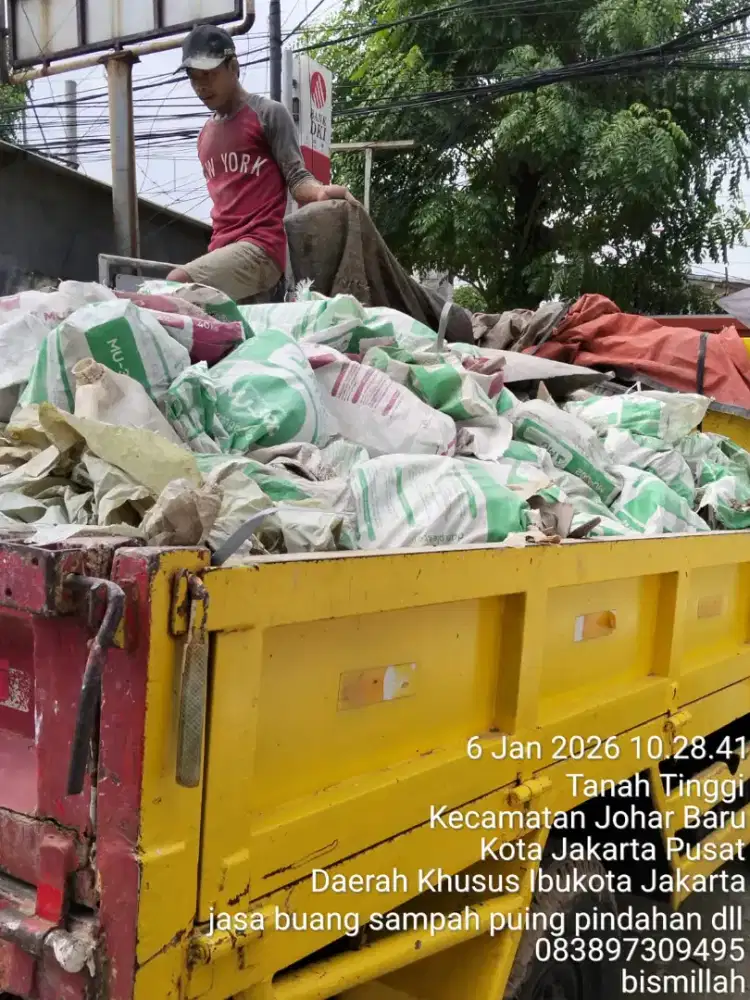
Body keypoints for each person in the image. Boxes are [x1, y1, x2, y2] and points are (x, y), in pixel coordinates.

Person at [167, 24, 355, 302]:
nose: (201, 86)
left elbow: (297, 177)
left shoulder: (268, 114)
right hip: (221, 250)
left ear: (234, 67)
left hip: (261, 248)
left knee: (176, 285)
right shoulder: (204, 136)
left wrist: (321, 192)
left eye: (209, 74)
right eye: (194, 78)